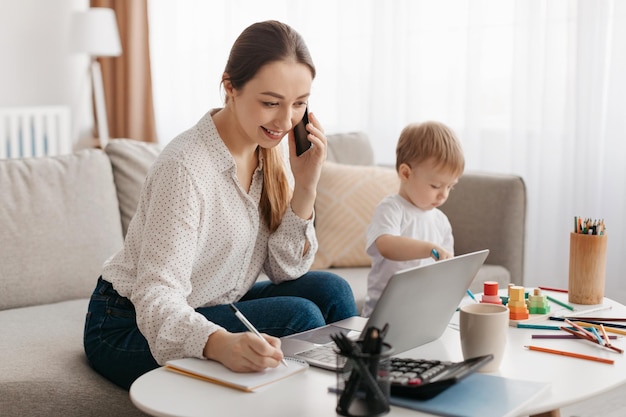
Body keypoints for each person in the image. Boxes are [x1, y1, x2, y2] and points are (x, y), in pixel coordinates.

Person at [83, 20, 357, 390]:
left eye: (299, 104)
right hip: (127, 325)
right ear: (230, 86)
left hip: (207, 302)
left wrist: (305, 186)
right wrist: (217, 343)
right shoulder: (185, 168)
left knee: (334, 292)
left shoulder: (272, 154)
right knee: (300, 315)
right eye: (270, 103)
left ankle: (355, 393)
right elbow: (156, 295)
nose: (284, 120)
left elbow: (284, 270)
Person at [361, 121, 464, 317]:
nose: (444, 195)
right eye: (435, 186)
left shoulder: (441, 221)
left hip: (423, 311)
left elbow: (446, 268)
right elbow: (387, 245)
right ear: (406, 173)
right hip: (385, 314)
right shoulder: (391, 208)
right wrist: (428, 249)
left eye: (450, 186)